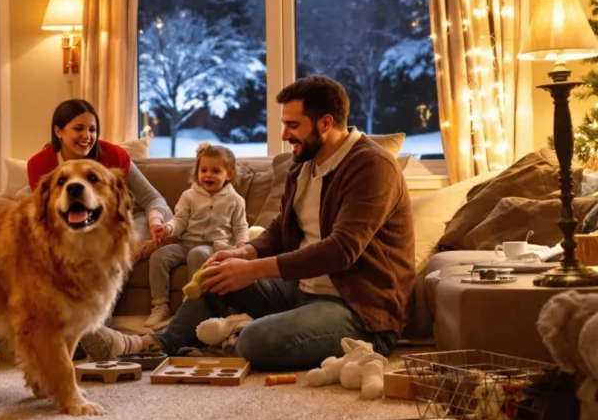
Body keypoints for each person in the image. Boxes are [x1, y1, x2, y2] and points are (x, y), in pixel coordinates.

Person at [79, 76, 413, 371]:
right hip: (303, 291)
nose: (285, 135)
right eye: (284, 124)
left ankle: (235, 334)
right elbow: (281, 230)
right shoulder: (304, 166)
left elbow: (342, 250)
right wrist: (246, 252)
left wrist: (254, 269)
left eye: (294, 125)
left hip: (359, 311)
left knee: (254, 341)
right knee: (215, 277)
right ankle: (148, 346)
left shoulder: (372, 167)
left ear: (326, 123)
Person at [27, 99, 172, 259]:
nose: (87, 136)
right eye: (78, 128)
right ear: (58, 131)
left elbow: (152, 197)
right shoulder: (39, 165)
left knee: (121, 250)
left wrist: (155, 223)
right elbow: (44, 215)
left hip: (126, 220)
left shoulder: (115, 156)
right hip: (72, 230)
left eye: (92, 129)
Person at [145, 142, 248, 329]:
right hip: (185, 242)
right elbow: (180, 220)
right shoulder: (189, 196)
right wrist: (168, 228)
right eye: (204, 170)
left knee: (198, 254)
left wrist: (243, 244)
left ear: (229, 175)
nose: (208, 175)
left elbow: (240, 226)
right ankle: (160, 305)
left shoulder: (235, 200)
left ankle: (191, 305)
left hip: (213, 246)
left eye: (215, 171)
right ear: (197, 172)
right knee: (159, 256)